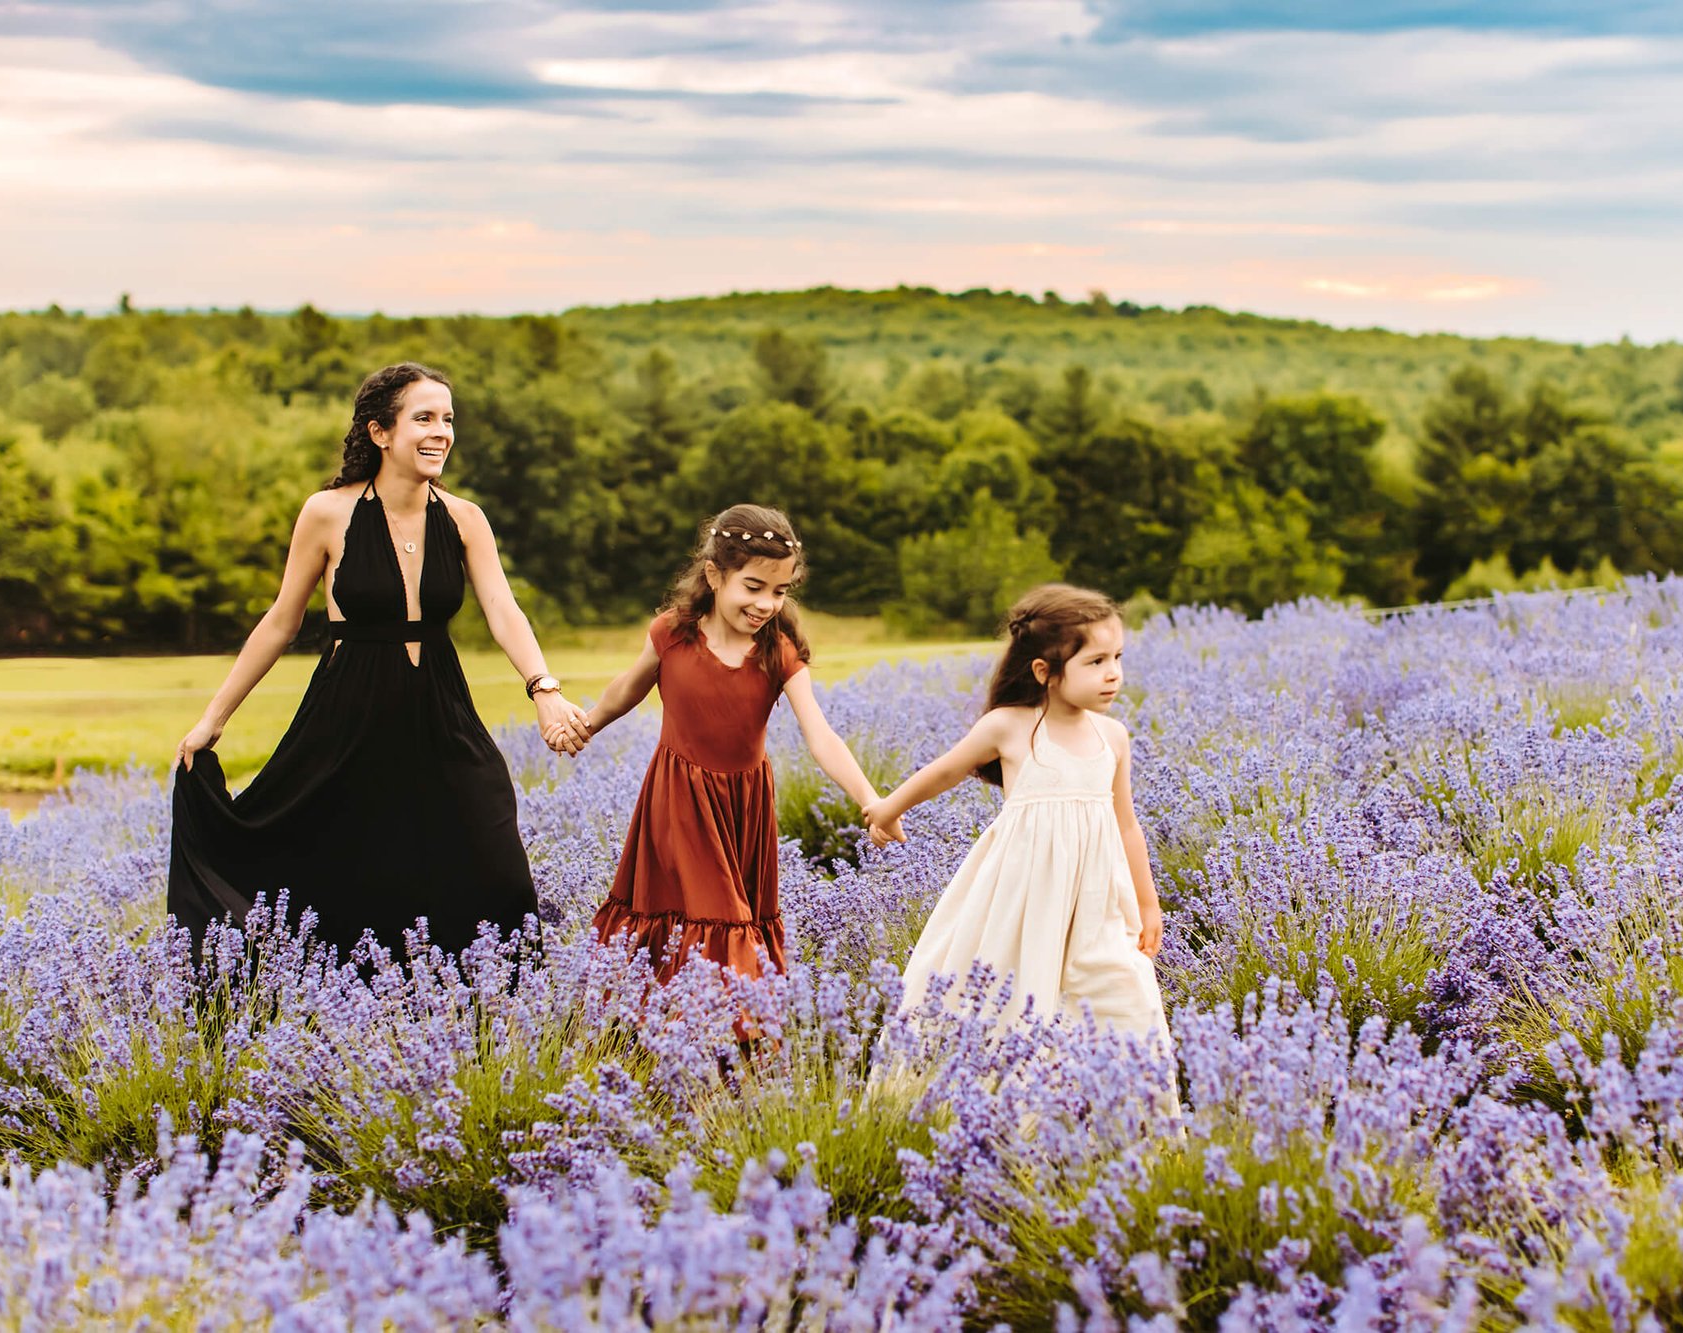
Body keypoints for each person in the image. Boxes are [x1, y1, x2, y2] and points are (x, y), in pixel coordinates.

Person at [168, 361, 589, 958]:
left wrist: (544, 689)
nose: (441, 431)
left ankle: (492, 1006)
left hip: (441, 706)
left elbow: (502, 607)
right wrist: (213, 719)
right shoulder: (327, 513)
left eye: (448, 418)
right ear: (380, 432)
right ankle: (347, 1004)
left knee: (491, 847)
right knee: (340, 864)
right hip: (349, 712)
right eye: (424, 417)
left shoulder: (466, 518)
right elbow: (282, 620)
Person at [583, 505, 881, 984]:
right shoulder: (672, 633)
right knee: (714, 918)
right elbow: (628, 688)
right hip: (679, 801)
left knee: (725, 917)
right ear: (715, 575)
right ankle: (708, 1034)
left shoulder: (777, 653)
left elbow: (821, 735)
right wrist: (587, 724)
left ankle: (717, 1042)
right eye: (754, 587)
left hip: (744, 811)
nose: (767, 604)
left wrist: (870, 799)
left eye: (780, 592)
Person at [863, 584, 1170, 1040]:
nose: (1113, 674)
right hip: (1023, 897)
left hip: (1097, 899)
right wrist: (888, 809)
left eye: (1117, 658)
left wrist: (1148, 904)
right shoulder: (1010, 726)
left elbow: (1126, 824)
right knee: (1014, 991)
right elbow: (945, 771)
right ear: (1045, 671)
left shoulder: (1113, 736)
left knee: (1121, 988)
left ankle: (1116, 1097)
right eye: (1096, 662)